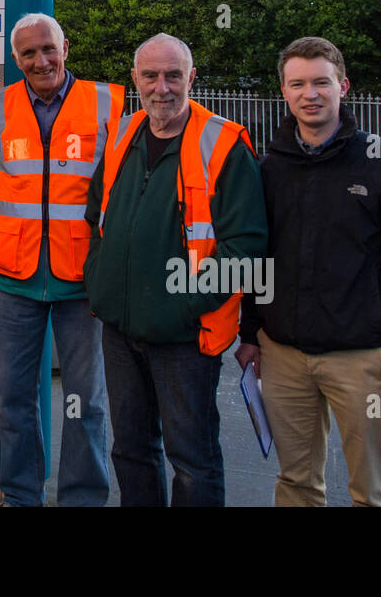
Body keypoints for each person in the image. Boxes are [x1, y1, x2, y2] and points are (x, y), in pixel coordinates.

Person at [235, 36, 381, 507]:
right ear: (284, 91)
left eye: (321, 83)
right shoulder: (267, 168)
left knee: (372, 491)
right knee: (296, 483)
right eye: (298, 84)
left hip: (363, 359)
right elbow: (254, 259)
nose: (310, 94)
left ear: (343, 86)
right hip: (283, 356)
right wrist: (250, 333)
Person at [84, 33, 268, 507]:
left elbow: (245, 247)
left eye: (173, 75)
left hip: (186, 339)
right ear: (135, 80)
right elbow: (96, 217)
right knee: (131, 450)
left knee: (192, 459)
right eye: (150, 76)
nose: (161, 87)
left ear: (192, 78)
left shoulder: (224, 143)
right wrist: (99, 283)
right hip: (121, 330)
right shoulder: (123, 133)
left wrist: (186, 305)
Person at [0, 12, 122, 507]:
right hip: (14, 280)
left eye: (48, 49)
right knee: (14, 401)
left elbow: (117, 190)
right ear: (15, 60)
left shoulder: (108, 105)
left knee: (87, 404)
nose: (41, 60)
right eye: (28, 53)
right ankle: (21, 497)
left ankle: (82, 499)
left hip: (83, 281)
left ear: (66, 48)